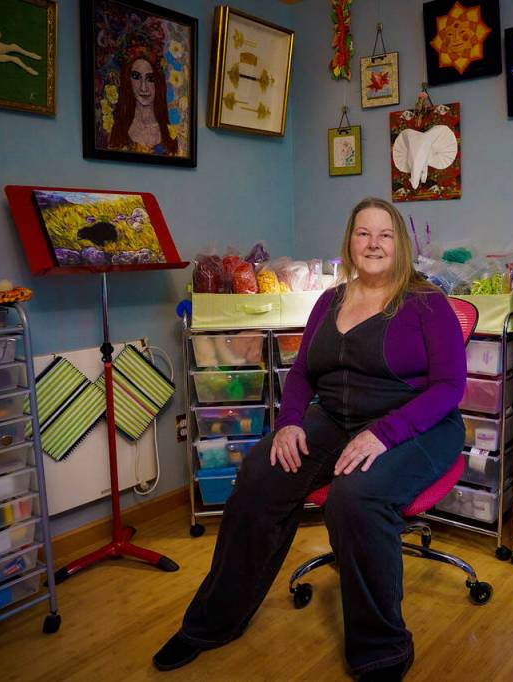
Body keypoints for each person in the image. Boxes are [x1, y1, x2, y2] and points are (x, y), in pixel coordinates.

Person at [153, 197, 467, 681]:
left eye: (385, 234)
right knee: (259, 476)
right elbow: (301, 373)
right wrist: (290, 422)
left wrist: (384, 433)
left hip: (415, 425)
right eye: (363, 233)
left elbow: (450, 388)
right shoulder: (330, 301)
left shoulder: (427, 304)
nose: (374, 244)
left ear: (400, 244)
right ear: (350, 241)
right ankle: (210, 625)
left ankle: (382, 650)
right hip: (336, 419)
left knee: (354, 498)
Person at [108, 48, 178, 155]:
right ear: (128, 80)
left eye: (150, 78)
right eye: (136, 77)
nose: (143, 88)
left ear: (158, 83)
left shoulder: (170, 133)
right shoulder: (118, 129)